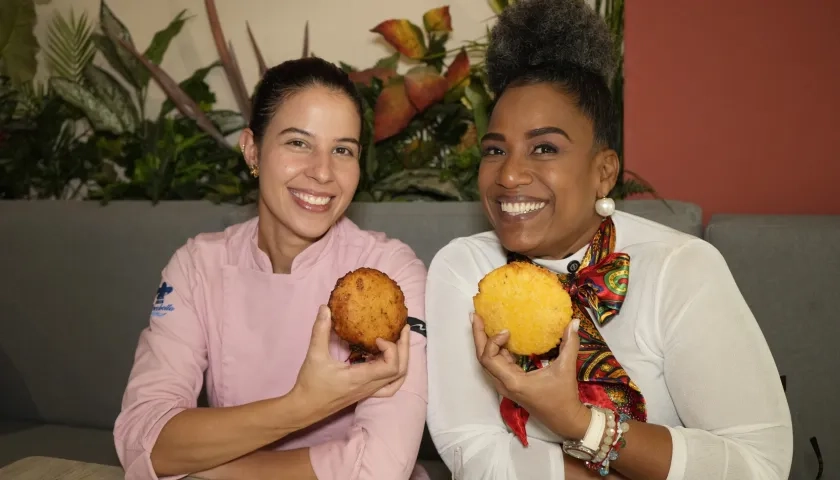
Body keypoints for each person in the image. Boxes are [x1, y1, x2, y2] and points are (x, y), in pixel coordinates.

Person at [424, 0, 793, 479]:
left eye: (544, 148)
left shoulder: (679, 267)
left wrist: (579, 424)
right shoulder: (464, 270)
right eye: (496, 149)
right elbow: (470, 452)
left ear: (604, 172)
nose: (510, 174)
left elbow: (759, 464)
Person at [114, 57, 430, 480]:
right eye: (298, 143)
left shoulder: (392, 273)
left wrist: (206, 470)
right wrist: (302, 406)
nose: (322, 172)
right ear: (252, 150)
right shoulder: (196, 267)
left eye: (343, 150)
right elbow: (142, 439)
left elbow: (379, 468)